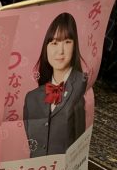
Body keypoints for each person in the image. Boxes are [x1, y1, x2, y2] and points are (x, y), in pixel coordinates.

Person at [22, 13, 88, 158]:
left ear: (75, 46)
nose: (60, 51)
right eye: (54, 43)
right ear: (45, 48)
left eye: (67, 42)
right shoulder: (31, 98)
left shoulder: (81, 87)